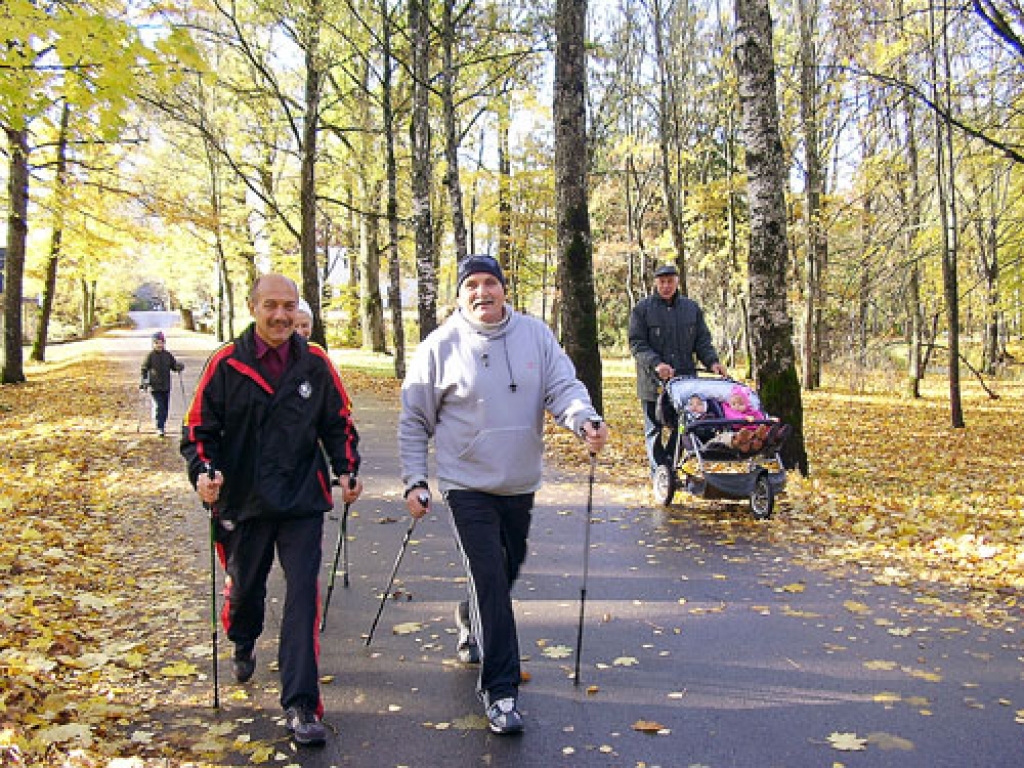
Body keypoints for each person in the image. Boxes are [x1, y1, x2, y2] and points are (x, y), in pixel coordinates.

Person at [398, 254, 609, 736]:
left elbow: (563, 387)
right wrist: (415, 479)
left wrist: (584, 420)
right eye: (471, 285)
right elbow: (414, 419)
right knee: (490, 577)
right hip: (465, 483)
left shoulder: (535, 335)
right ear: (459, 295)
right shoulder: (439, 346)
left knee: (503, 571)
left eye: (490, 282)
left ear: (504, 290)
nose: (482, 292)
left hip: (519, 481)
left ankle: (470, 618)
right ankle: (501, 692)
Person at [180, 273, 362, 747]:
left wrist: (347, 469)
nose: (281, 316)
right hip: (244, 500)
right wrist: (204, 472)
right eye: (271, 306)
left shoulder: (315, 363)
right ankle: (242, 636)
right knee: (245, 588)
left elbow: (338, 423)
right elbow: (198, 430)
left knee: (303, 595)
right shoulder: (226, 363)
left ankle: (302, 705)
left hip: (301, 498)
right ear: (252, 306)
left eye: (289, 306)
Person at [628, 263, 726, 477]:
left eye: (670, 281)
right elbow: (637, 344)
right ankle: (659, 473)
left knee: (682, 426)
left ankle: (669, 468)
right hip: (653, 383)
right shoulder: (642, 310)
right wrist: (657, 364)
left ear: (677, 282)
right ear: (655, 283)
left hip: (684, 383)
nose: (666, 286)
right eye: (662, 282)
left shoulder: (691, 309)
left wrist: (713, 362)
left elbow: (702, 342)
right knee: (654, 429)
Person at [140, 330, 184, 437]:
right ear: (153, 343)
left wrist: (179, 367)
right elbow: (144, 369)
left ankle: (162, 424)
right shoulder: (150, 356)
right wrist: (144, 381)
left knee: (165, 407)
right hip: (154, 386)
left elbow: (174, 366)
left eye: (161, 342)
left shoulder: (167, 355)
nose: (159, 345)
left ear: (164, 343)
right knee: (159, 407)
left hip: (166, 386)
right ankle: (159, 427)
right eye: (157, 343)